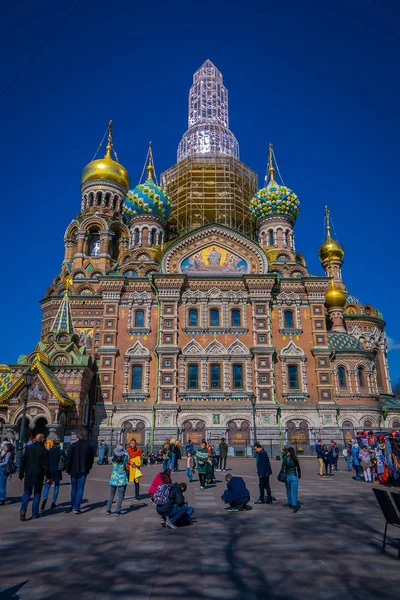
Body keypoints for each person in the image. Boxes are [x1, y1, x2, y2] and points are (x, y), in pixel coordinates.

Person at [19, 433, 48, 521]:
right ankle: (35, 513)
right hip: (39, 475)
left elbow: (23, 462)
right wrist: (49, 476)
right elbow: (45, 465)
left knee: (26, 493)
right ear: (43, 440)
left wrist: (21, 474)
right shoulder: (44, 451)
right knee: (37, 494)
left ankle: (23, 510)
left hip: (28, 474)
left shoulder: (28, 448)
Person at [66, 433, 95, 514]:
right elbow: (91, 459)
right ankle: (76, 507)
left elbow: (69, 458)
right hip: (83, 470)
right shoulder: (89, 446)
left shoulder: (73, 445)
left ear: (77, 438)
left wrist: (68, 469)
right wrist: (88, 468)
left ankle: (72, 504)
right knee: (80, 488)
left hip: (73, 470)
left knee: (73, 488)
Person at [41, 438, 66, 511]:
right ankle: (53, 502)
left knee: (47, 485)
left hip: (49, 470)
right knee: (57, 486)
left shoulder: (49, 451)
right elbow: (65, 459)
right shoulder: (61, 451)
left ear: (53, 443)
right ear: (59, 444)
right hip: (57, 470)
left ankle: (45, 498)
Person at [106, 444, 129, 515]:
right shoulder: (124, 459)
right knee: (120, 496)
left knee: (111, 495)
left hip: (113, 479)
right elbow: (128, 456)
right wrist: (123, 450)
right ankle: (117, 511)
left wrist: (117, 450)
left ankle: (108, 510)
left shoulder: (112, 459)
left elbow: (111, 458)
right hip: (121, 480)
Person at [281, 447, 302, 513]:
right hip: (294, 476)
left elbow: (282, 468)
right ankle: (294, 504)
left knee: (288, 490)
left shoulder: (285, 459)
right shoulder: (295, 459)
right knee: (294, 491)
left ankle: (290, 502)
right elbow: (298, 468)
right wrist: (299, 475)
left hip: (288, 476)